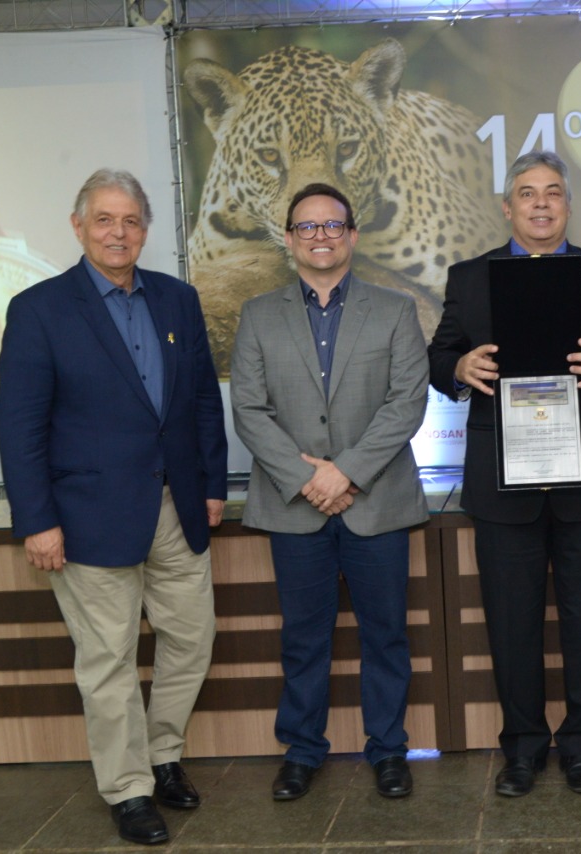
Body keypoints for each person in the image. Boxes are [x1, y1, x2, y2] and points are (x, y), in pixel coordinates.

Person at [0, 168, 227, 846]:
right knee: (109, 661)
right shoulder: (39, 310)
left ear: (144, 230)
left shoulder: (178, 299)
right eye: (104, 219)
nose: (118, 233)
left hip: (177, 507)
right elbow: (19, 427)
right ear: (78, 227)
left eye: (130, 221)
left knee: (192, 639)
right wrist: (37, 520)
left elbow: (202, 402)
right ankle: (128, 790)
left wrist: (212, 484)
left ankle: (162, 755)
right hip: (87, 517)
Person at [427, 151, 581, 796]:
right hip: (503, 480)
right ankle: (522, 748)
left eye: (553, 192)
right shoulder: (470, 278)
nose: (542, 203)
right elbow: (439, 358)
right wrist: (458, 369)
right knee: (510, 622)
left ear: (568, 205)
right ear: (508, 207)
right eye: (528, 193)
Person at [231, 183, 429, 802]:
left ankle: (388, 749)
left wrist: (345, 472)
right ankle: (302, 750)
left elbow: (407, 403)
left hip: (377, 501)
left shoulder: (394, 309)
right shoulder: (258, 314)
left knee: (385, 635)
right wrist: (308, 478)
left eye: (333, 225)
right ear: (290, 239)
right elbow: (249, 410)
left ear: (353, 235)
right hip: (294, 506)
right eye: (308, 227)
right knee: (303, 637)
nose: (321, 236)